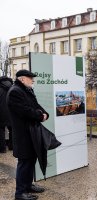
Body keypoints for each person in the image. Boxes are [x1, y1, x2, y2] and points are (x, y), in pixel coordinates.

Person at [7, 69, 48, 200]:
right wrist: (40, 116)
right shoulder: (15, 91)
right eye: (30, 78)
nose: (33, 80)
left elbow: (35, 105)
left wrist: (45, 113)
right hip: (23, 134)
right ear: (22, 79)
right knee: (24, 162)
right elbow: (25, 111)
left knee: (31, 160)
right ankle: (20, 193)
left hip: (31, 133)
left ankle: (28, 185)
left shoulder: (26, 90)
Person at [0, 76, 13, 153]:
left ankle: (2, 148)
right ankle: (12, 146)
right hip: (11, 113)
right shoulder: (13, 89)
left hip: (1, 113)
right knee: (12, 130)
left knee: (1, 130)